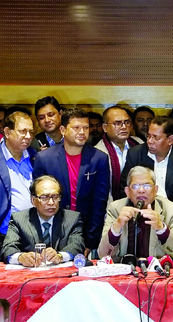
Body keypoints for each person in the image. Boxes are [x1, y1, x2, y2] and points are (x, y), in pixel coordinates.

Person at [32, 107, 110, 258]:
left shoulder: (99, 158)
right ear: (63, 130)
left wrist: (90, 241)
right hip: (52, 230)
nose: (82, 132)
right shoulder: (45, 158)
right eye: (76, 128)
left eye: (85, 128)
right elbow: (39, 200)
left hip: (85, 230)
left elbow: (99, 203)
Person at [98, 166, 173, 260]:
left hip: (157, 272)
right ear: (127, 191)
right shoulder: (115, 209)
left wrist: (161, 229)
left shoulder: (172, 211)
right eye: (135, 186)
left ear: (155, 190)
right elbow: (103, 255)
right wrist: (117, 226)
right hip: (125, 270)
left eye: (147, 186)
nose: (141, 190)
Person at [121, 116, 173, 214]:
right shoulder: (136, 154)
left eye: (155, 137)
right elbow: (124, 186)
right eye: (148, 136)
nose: (150, 141)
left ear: (170, 139)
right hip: (141, 210)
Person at [2, 176, 85, 266]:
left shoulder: (72, 218)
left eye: (55, 196)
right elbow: (8, 248)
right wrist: (21, 257)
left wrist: (60, 256)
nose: (51, 202)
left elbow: (77, 246)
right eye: (44, 197)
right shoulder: (19, 219)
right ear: (33, 200)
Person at [94, 106, 144, 201]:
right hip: (110, 207)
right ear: (105, 127)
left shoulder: (139, 144)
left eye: (127, 122)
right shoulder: (97, 153)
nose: (124, 127)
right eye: (117, 123)